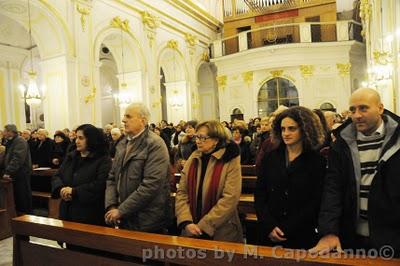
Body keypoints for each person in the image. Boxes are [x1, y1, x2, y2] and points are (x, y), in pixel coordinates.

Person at [310, 88, 400, 257]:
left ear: (380, 108)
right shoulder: (342, 143)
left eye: (363, 108)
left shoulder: (397, 139)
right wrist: (329, 231)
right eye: (352, 110)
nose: (357, 115)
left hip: (393, 235)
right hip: (351, 235)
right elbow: (333, 188)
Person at [255, 106, 326, 249]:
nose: (286, 133)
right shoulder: (270, 158)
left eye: (292, 129)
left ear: (305, 130)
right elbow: (260, 194)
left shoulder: (317, 161)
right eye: (283, 129)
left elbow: (316, 201)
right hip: (269, 231)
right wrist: (269, 225)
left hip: (301, 232)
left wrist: (287, 228)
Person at [105, 103, 171, 233]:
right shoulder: (123, 143)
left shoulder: (155, 144)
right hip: (123, 215)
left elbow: (151, 184)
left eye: (128, 116)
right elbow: (112, 178)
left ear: (143, 120)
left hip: (147, 219)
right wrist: (112, 206)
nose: (123, 120)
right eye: (124, 116)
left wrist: (121, 210)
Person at [175, 120, 243, 242]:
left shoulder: (230, 159)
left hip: (222, 230)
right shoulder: (194, 157)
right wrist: (186, 221)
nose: (198, 141)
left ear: (216, 140)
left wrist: (205, 226)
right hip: (191, 227)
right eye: (197, 137)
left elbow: (230, 197)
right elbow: (182, 192)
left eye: (202, 137)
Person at [51, 124, 111, 225]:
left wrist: (74, 191)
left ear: (91, 139)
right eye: (76, 137)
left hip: (89, 213)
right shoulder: (71, 156)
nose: (77, 141)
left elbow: (100, 184)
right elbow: (57, 175)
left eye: (81, 138)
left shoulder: (103, 159)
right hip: (67, 210)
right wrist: (61, 189)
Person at [1, 124, 32, 214]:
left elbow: (17, 159)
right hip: (15, 174)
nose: (3, 133)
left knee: (22, 196)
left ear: (11, 132)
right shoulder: (10, 141)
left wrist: (8, 172)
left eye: (5, 131)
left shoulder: (20, 141)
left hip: (21, 173)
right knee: (17, 197)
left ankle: (26, 216)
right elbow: (7, 158)